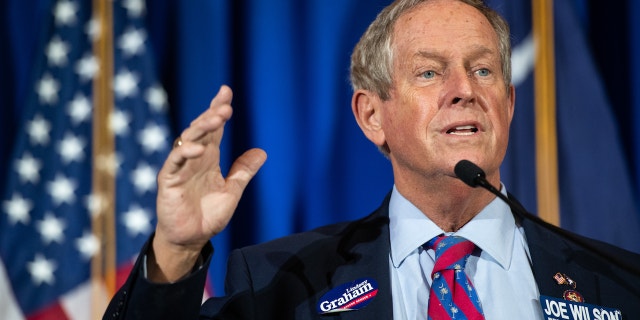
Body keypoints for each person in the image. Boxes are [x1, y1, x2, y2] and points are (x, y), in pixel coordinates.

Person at [104, 0, 640, 319]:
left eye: (483, 71)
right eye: (429, 73)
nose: (464, 91)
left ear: (509, 101)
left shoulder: (616, 282)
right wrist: (175, 250)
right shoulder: (282, 284)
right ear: (371, 116)